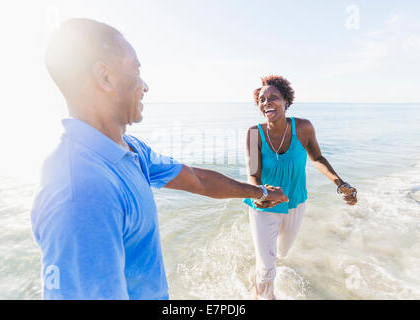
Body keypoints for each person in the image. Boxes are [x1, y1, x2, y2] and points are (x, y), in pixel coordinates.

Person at [30, 18, 288, 300]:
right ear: (105, 77)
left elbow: (198, 180)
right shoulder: (81, 191)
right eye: (135, 70)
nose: (145, 85)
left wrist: (260, 192)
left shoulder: (130, 149)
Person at [244, 75, 358, 300]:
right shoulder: (254, 133)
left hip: (296, 202)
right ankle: (263, 291)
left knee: (281, 253)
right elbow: (253, 174)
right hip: (264, 204)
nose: (266, 102)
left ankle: (259, 271)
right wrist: (260, 195)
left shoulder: (303, 128)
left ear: (286, 101)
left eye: (273, 97)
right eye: (262, 99)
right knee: (267, 268)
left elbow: (317, 158)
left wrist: (341, 184)